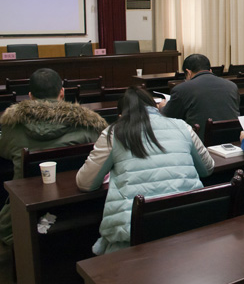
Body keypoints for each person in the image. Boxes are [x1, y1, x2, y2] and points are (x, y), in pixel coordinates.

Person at [77, 86, 215, 255]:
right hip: (190, 220)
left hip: (136, 231)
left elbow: (86, 183)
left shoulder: (114, 132)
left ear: (120, 116)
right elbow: (208, 168)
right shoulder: (182, 126)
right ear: (155, 107)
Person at [0, 68, 107, 246]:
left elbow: (4, 152)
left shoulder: (12, 126)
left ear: (30, 96)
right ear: (62, 92)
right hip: (80, 209)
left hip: (25, 217)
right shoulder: (88, 124)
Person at [160, 54, 240, 141]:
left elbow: (168, 117)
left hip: (199, 142)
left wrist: (162, 107)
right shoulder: (232, 86)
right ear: (210, 70)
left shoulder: (182, 89)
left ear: (188, 72)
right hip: (233, 139)